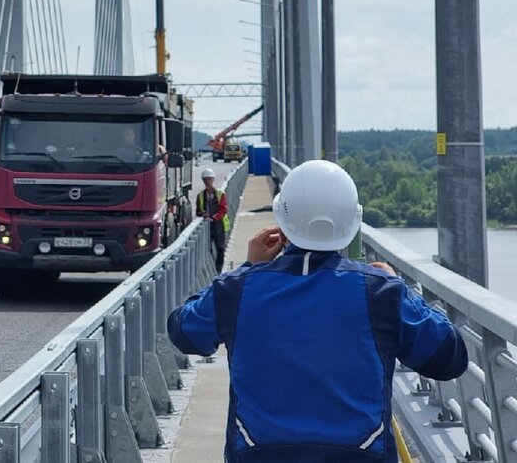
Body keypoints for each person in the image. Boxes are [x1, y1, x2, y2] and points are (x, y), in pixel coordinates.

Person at [168, 160, 467, 462]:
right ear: (353, 224)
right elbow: (449, 358)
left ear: (281, 222)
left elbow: (184, 332)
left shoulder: (237, 290)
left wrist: (247, 269)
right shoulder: (381, 293)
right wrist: (397, 288)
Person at [195, 168, 229, 270]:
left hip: (219, 225)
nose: (207, 182)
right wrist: (203, 214)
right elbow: (198, 211)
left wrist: (214, 218)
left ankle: (219, 267)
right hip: (207, 226)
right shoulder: (201, 196)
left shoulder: (220, 194)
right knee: (207, 248)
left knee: (220, 247)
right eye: (205, 180)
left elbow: (223, 209)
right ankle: (211, 268)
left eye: (209, 179)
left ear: (213, 180)